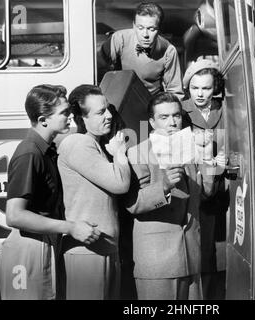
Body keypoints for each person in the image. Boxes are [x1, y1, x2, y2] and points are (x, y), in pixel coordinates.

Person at [0, 84, 101, 300]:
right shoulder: (29, 153)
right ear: (43, 119)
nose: (70, 118)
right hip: (29, 248)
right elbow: (14, 215)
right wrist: (71, 228)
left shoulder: (46, 150)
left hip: (43, 244)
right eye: (64, 113)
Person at [125, 92, 217, 300]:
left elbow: (204, 194)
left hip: (191, 254)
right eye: (164, 117)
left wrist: (208, 160)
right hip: (158, 260)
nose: (172, 123)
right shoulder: (137, 153)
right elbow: (133, 204)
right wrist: (163, 186)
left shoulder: (192, 149)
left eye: (176, 116)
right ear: (151, 121)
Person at [57, 85, 130, 300]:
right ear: (81, 117)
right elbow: (120, 183)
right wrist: (119, 153)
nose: (108, 116)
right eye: (100, 112)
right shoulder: (78, 143)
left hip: (101, 249)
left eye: (107, 109)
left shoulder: (93, 143)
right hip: (87, 253)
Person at [182, 59, 229, 300]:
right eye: (195, 88)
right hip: (190, 188)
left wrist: (227, 161)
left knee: (209, 250)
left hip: (219, 189)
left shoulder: (227, 110)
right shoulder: (179, 111)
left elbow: (238, 144)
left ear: (216, 88)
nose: (200, 94)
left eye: (206, 88)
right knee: (192, 249)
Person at [98, 2, 184, 99]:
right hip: (117, 97)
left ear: (159, 29)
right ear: (134, 26)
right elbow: (97, 72)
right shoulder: (118, 39)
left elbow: (175, 92)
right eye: (140, 28)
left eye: (151, 29)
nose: (145, 35)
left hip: (149, 103)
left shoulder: (169, 51)